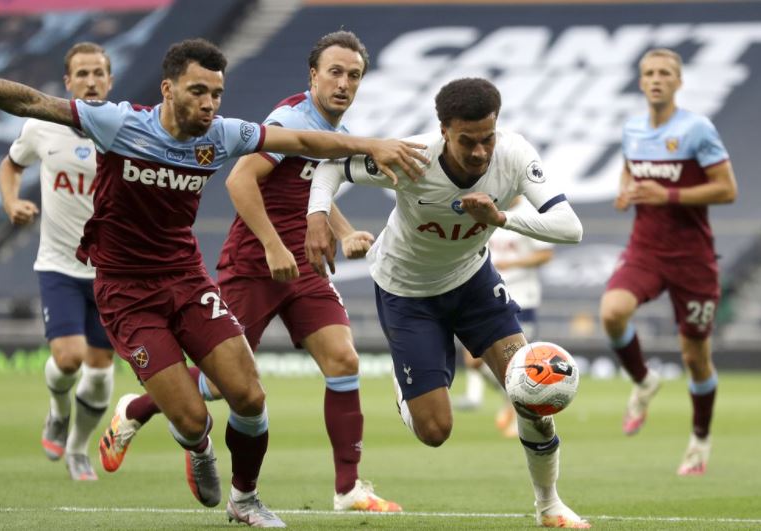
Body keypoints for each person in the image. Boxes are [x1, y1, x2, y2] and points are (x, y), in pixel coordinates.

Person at [0, 38, 425, 528]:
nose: (210, 104)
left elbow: (301, 146)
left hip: (188, 280)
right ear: (168, 90)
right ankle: (198, 447)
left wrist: (370, 145)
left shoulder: (221, 135)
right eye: (198, 91)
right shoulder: (120, 124)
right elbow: (31, 102)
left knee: (250, 395)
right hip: (127, 293)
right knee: (193, 419)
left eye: (217, 93)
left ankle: (246, 500)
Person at [108, 31, 400, 513]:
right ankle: (137, 408)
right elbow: (240, 178)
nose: (344, 83)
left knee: (344, 361)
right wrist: (271, 245)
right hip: (254, 264)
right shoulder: (291, 119)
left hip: (303, 267)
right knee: (225, 386)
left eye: (353, 75)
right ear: (313, 75)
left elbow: (314, 193)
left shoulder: (338, 130)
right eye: (335, 72)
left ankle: (348, 490)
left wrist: (343, 231)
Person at [305, 78, 589, 528]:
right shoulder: (410, 158)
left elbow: (570, 227)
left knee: (530, 393)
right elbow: (330, 168)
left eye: (487, 138)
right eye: (467, 141)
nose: (480, 152)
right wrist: (318, 216)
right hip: (406, 292)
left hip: (473, 281)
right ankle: (407, 381)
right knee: (435, 432)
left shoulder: (514, 155)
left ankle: (549, 504)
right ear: (443, 131)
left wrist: (501, 218)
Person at [599, 48, 737, 476]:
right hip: (646, 248)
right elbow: (629, 171)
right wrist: (626, 190)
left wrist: (668, 195)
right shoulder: (633, 129)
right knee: (612, 312)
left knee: (695, 355)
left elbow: (727, 189)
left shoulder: (697, 129)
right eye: (649, 73)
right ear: (640, 82)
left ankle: (699, 438)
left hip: (693, 257)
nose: (656, 79)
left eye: (664, 73)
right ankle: (643, 381)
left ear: (678, 82)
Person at [0, 42, 116, 482]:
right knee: (69, 359)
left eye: (97, 73)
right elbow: (10, 166)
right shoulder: (41, 127)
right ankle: (57, 411)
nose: (90, 81)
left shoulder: (126, 129)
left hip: (111, 271)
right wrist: (12, 203)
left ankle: (78, 449)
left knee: (101, 374)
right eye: (81, 74)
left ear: (110, 79)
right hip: (59, 265)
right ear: (68, 82)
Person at [454, 196, 554, 438]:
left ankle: (523, 416)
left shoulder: (528, 214)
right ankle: (511, 397)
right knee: (473, 361)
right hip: (488, 295)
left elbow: (546, 254)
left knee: (519, 362)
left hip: (522, 297)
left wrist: (514, 262)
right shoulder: (487, 208)